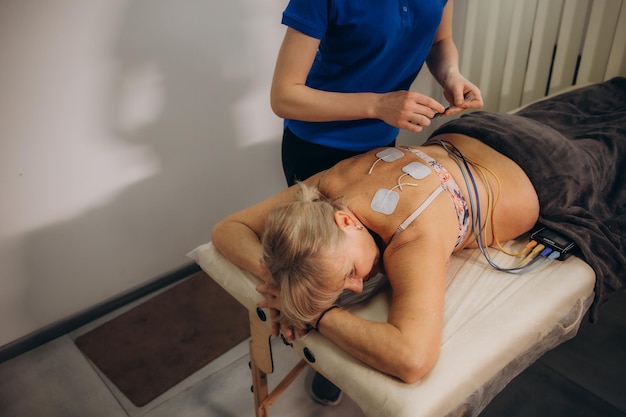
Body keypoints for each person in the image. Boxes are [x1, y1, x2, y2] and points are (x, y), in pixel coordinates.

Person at [212, 77, 626, 388]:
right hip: (484, 128)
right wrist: (281, 283)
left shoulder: (412, 238)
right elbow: (227, 229)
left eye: (349, 273)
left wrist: (321, 316)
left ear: (344, 222)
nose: (357, 288)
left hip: (552, 172)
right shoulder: (329, 186)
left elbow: (412, 359)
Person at [271, 0, 484, 186]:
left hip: (382, 144)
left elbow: (439, 41)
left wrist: (451, 75)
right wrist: (379, 105)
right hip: (318, 145)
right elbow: (284, 97)